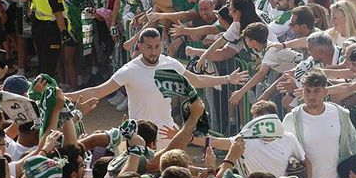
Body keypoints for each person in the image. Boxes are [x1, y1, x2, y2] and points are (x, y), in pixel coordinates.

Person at [68, 28, 248, 132]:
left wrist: (227, 78)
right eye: (149, 47)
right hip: (139, 133)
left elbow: (197, 80)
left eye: (157, 46)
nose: (153, 52)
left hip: (167, 131)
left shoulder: (170, 63)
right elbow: (98, 92)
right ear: (140, 46)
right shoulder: (129, 70)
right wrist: (66, 97)